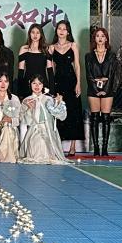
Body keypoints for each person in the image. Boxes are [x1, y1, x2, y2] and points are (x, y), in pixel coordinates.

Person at [49, 19, 83, 155]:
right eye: (59, 28)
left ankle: (73, 146)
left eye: (64, 29)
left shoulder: (73, 45)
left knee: (73, 111)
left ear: (68, 32)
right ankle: (57, 145)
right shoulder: (52, 48)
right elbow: (51, 68)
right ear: (56, 31)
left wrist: (78, 83)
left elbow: (77, 65)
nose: (62, 31)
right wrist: (52, 87)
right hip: (58, 82)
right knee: (58, 111)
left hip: (71, 82)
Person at [84, 26, 117, 157]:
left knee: (106, 118)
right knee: (95, 117)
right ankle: (96, 149)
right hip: (93, 90)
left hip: (108, 90)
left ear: (106, 39)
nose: (100, 38)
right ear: (94, 38)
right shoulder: (88, 56)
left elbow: (112, 75)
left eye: (102, 36)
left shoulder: (112, 55)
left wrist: (105, 90)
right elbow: (89, 75)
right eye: (97, 36)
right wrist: (97, 90)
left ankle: (105, 148)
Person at [19, 74, 68, 164]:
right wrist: (28, 108)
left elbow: (62, 116)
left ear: (43, 85)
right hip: (34, 130)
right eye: (34, 83)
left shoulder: (49, 99)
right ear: (30, 84)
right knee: (36, 148)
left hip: (48, 130)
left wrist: (58, 103)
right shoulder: (27, 100)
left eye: (40, 83)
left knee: (49, 151)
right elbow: (23, 119)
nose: (37, 86)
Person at [16, 23, 52, 98]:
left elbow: (50, 71)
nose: (35, 35)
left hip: (43, 84)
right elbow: (20, 71)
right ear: (29, 34)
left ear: (41, 34)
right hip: (27, 84)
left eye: (37, 33)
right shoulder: (24, 49)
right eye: (33, 32)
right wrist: (20, 91)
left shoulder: (46, 49)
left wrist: (52, 90)